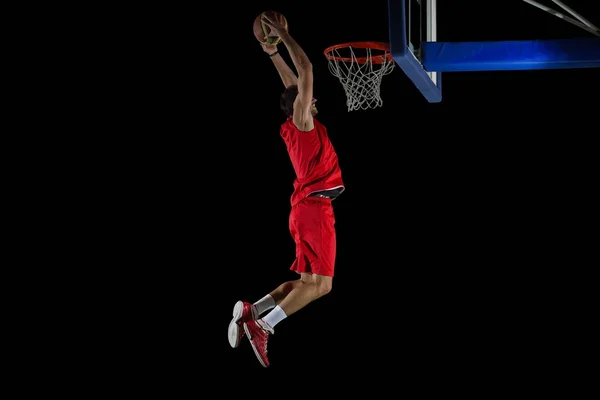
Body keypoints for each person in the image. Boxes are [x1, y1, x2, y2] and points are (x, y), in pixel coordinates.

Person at [227, 13, 345, 368]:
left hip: (306, 209)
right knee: (321, 287)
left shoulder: (296, 125)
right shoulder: (303, 123)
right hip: (314, 210)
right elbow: (306, 70)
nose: (311, 96)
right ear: (298, 106)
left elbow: (294, 82)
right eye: (304, 98)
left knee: (307, 282)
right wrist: (281, 34)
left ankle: (253, 310)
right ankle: (263, 325)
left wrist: (271, 52)